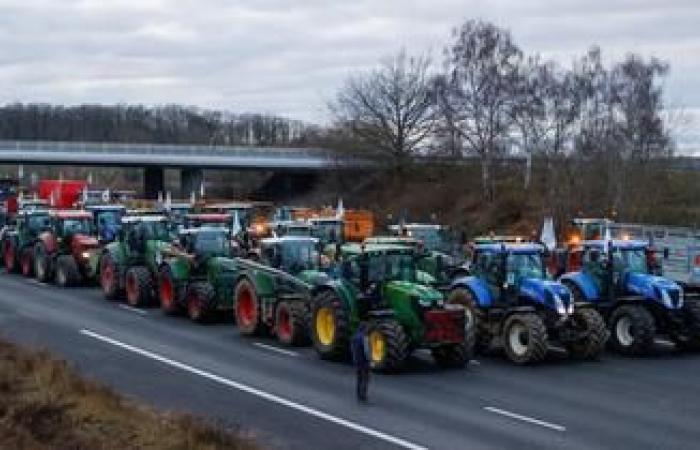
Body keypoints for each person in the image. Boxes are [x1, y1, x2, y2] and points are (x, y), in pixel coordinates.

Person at [351, 322, 371, 403]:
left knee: (359, 378)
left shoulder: (354, 337)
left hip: (357, 360)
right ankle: (363, 396)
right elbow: (366, 351)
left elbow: (352, 349)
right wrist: (370, 360)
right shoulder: (364, 338)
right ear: (364, 329)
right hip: (364, 361)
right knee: (365, 378)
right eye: (367, 329)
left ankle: (358, 394)